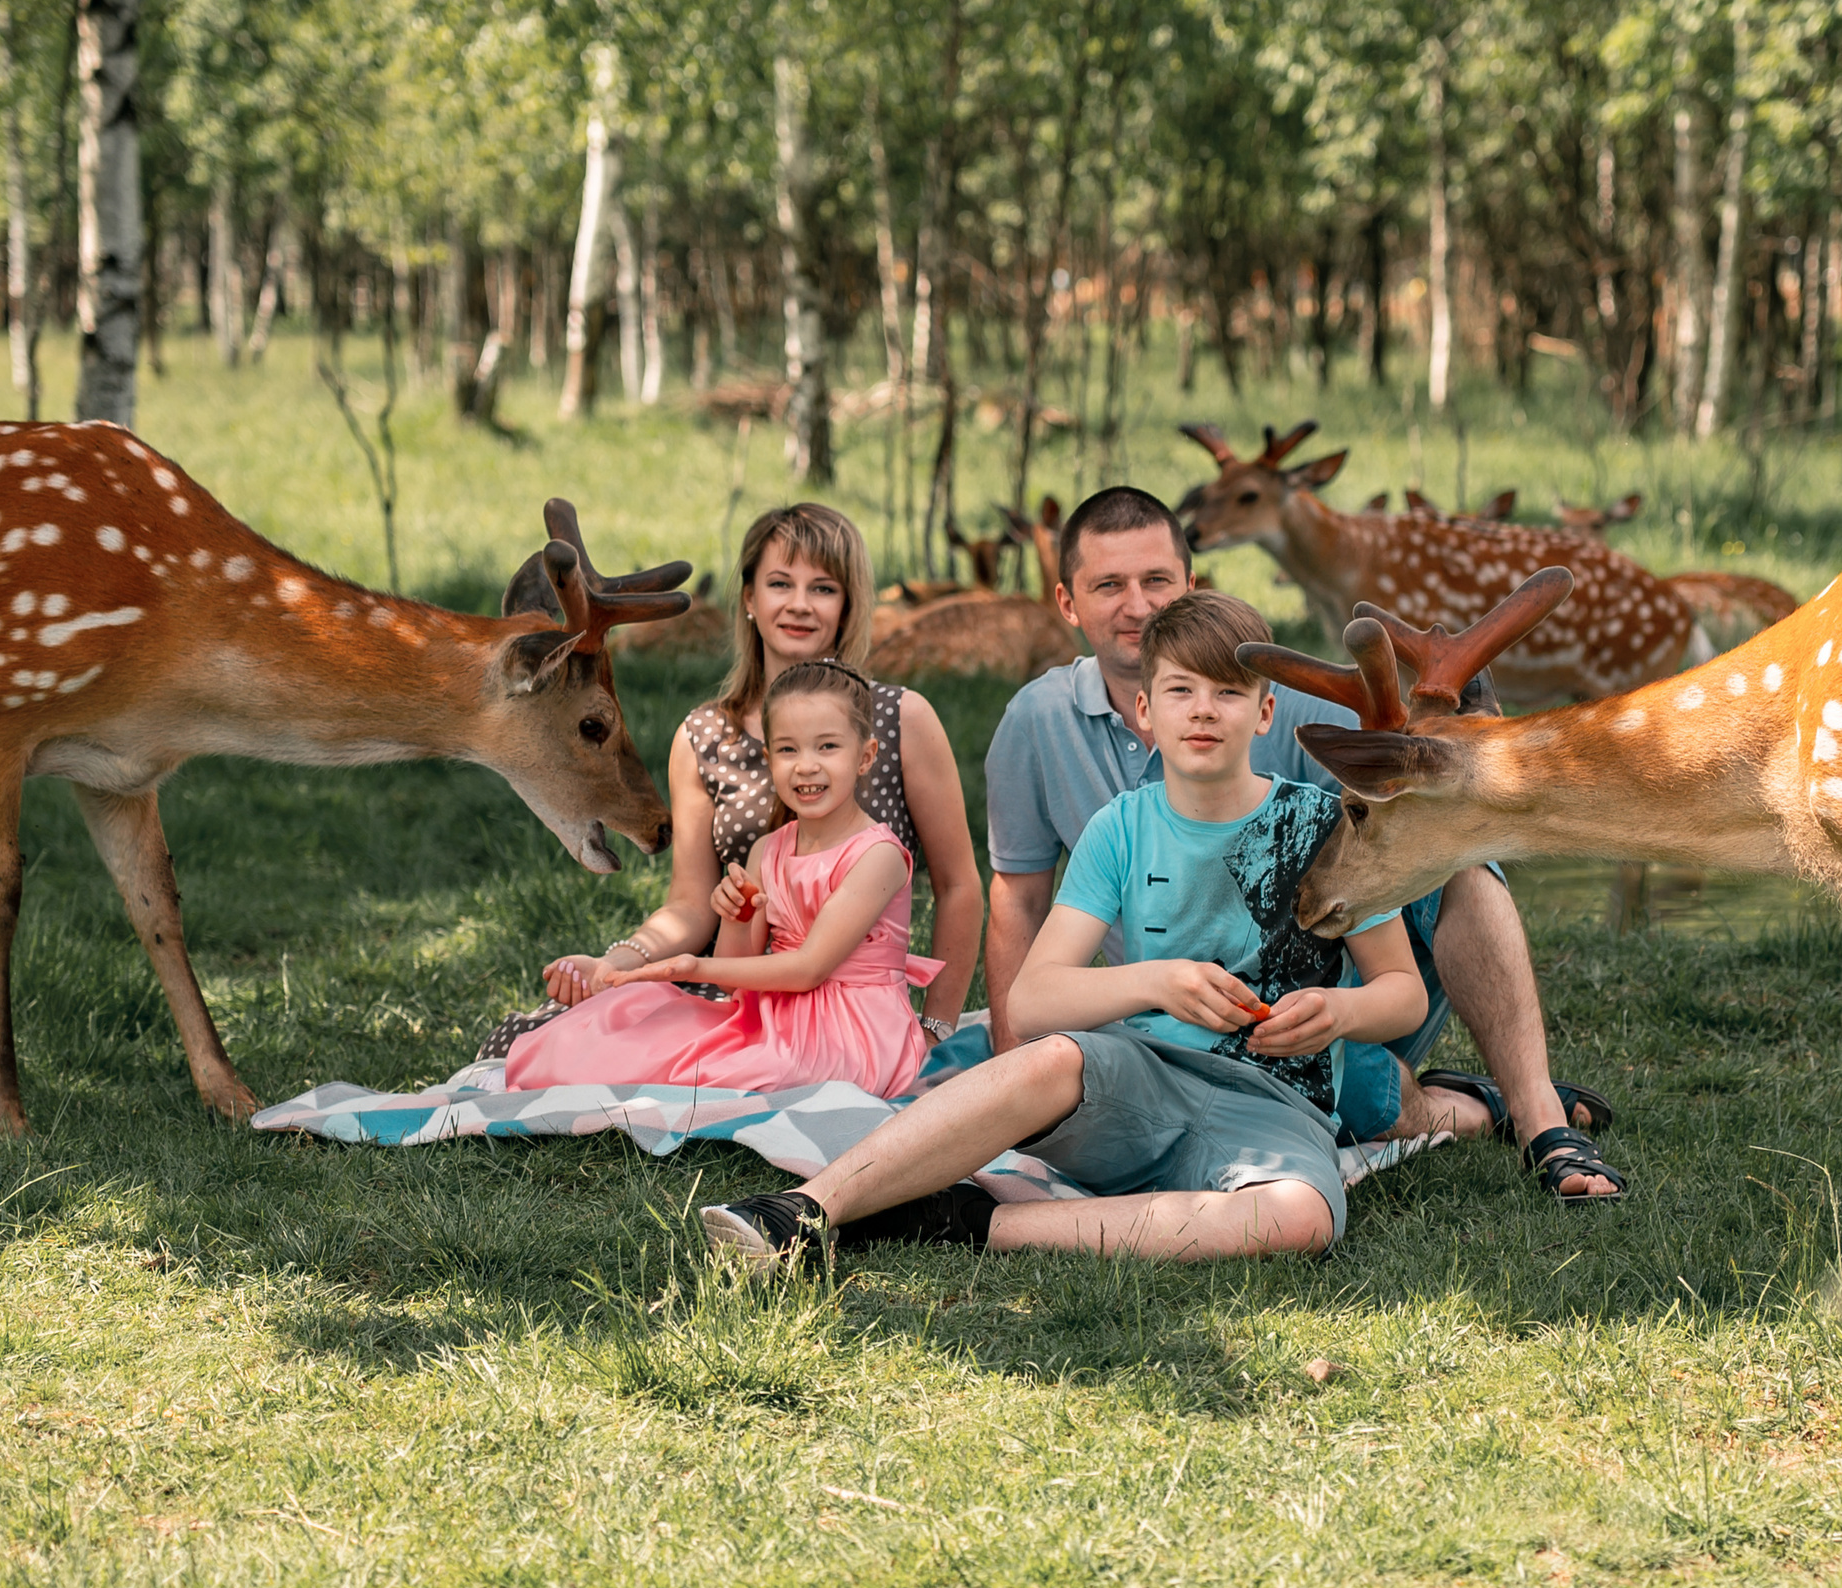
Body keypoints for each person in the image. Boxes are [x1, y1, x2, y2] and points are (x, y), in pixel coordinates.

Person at [700, 593, 1429, 1266]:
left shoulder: (1326, 825)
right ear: (1145, 709)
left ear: (1265, 713)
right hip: (1141, 1081)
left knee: (1301, 1216)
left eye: (1228, 693)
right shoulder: (1120, 827)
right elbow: (1032, 1002)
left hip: (1277, 1107)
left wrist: (1339, 1011)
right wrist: (1156, 982)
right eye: (1181, 690)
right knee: (1050, 1058)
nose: (1203, 710)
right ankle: (802, 1210)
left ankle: (964, 1221)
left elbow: (1403, 994)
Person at [974, 486, 1622, 1198]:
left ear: (1191, 583)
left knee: (1458, 860)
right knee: (1378, 1108)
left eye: (1156, 579)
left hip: (1317, 1007)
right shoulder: (1037, 722)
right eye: (1109, 585)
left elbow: (1418, 805)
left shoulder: (1287, 703)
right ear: (1067, 603)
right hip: (1162, 1029)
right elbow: (1017, 894)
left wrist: (1457, 744)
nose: (1138, 605)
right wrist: (1012, 1082)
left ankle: (1538, 1117)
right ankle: (1462, 1104)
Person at [476, 502, 980, 1060]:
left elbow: (959, 885)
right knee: (545, 1040)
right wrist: (618, 963)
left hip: (842, 1007)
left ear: (848, 603)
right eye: (780, 583)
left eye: (823, 589)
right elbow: (692, 905)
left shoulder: (899, 718)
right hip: (729, 983)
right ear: (748, 598)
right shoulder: (704, 734)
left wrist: (937, 1027)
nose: (798, 605)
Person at [503, 662, 941, 1099]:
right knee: (635, 1014)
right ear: (769, 759)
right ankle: (539, 1072)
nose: (806, 766)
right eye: (788, 750)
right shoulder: (767, 849)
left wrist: (694, 968)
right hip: (775, 1014)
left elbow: (808, 969)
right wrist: (735, 918)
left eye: (827, 747)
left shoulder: (877, 855)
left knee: (727, 1071)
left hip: (855, 1032)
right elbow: (735, 980)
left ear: (865, 756)